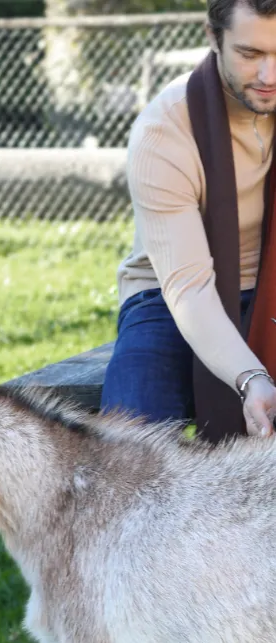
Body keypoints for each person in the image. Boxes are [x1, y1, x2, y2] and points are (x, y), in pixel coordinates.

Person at [101, 0, 276, 443]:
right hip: (170, 294)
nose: (269, 76)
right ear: (213, 38)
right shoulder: (166, 130)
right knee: (129, 446)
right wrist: (250, 377)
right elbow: (189, 288)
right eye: (250, 54)